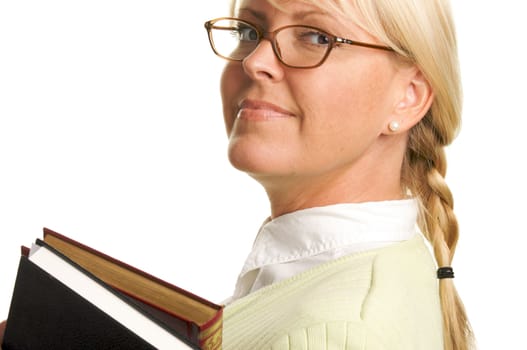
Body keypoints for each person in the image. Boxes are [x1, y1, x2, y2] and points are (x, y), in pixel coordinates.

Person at [204, 0, 474, 349]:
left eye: (317, 37)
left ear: (408, 97)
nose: (254, 61)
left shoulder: (335, 333)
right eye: (247, 31)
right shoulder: (375, 277)